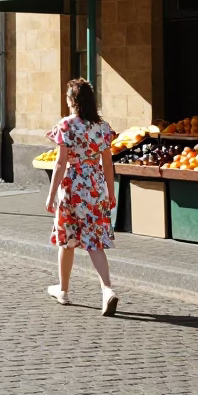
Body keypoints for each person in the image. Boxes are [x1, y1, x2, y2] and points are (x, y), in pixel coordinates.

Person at [44, 78, 119, 316]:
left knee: (67, 239)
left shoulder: (66, 125)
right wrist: (110, 191)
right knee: (95, 241)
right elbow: (107, 162)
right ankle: (107, 290)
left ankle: (63, 290)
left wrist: (51, 193)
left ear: (73, 101)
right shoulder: (102, 127)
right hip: (95, 186)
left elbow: (60, 162)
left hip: (71, 185)